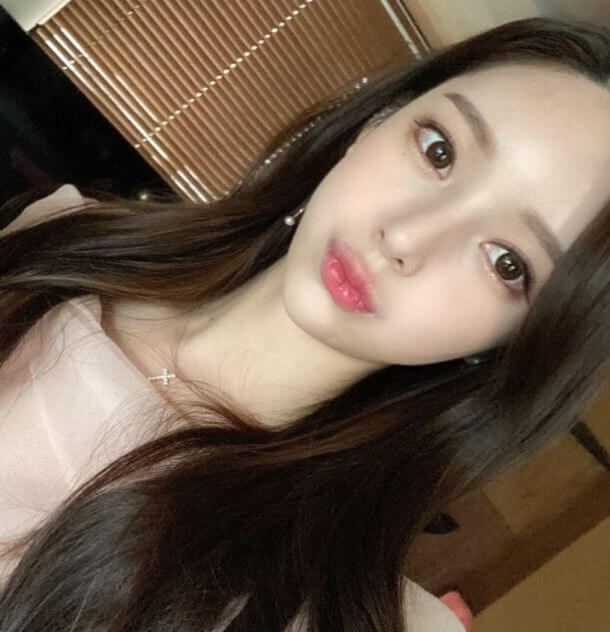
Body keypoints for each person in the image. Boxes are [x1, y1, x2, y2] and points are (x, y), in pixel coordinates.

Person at [0, 15, 608, 632]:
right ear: (376, 122)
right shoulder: (64, 240)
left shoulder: (348, 613)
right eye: (438, 151)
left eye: (507, 263)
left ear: (520, 343)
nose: (405, 237)